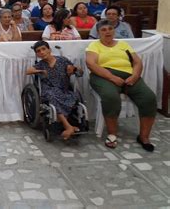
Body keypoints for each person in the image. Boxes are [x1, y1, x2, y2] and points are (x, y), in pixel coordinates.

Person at [86, 20, 157, 151]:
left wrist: (135, 76)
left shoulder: (123, 44)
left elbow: (137, 62)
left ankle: (144, 136)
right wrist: (112, 77)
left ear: (114, 30)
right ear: (98, 32)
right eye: (104, 30)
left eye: (110, 29)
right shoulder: (94, 46)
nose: (107, 32)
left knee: (149, 98)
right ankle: (112, 134)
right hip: (103, 75)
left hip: (129, 75)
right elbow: (91, 64)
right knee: (110, 97)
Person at [26, 41, 81, 140]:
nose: (41, 52)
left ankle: (68, 125)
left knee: (71, 96)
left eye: (44, 49)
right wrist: (40, 71)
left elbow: (79, 72)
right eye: (38, 51)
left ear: (49, 50)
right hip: (48, 90)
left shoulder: (62, 60)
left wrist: (74, 69)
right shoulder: (41, 64)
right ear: (37, 55)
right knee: (52, 95)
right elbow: (28, 71)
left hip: (63, 89)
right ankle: (68, 126)